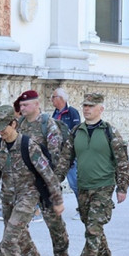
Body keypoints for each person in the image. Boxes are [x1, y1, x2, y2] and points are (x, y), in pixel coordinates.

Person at [0, 105, 65, 256]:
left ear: (14, 123)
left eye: (4, 126)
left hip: (28, 197)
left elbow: (48, 174)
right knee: (21, 238)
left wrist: (57, 200)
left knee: (9, 240)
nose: (1, 131)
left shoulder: (29, 145)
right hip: (8, 199)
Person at [67, 93, 129, 256]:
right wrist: (53, 180)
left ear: (101, 109)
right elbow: (65, 159)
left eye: (91, 106)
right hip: (83, 186)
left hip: (103, 186)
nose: (87, 109)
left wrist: (122, 187)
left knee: (93, 228)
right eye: (85, 105)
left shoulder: (110, 132)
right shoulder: (77, 131)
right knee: (93, 227)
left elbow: (122, 162)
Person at [15, 90, 70, 256]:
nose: (22, 108)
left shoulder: (48, 124)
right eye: (21, 105)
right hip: (25, 181)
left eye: (25, 105)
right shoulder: (20, 124)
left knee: (53, 220)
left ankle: (61, 254)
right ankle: (7, 251)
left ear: (37, 104)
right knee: (17, 219)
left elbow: (55, 155)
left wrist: (51, 182)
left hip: (44, 180)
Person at [51, 87, 81, 220]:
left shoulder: (73, 113)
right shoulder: (55, 113)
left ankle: (82, 208)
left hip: (69, 155)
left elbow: (76, 132)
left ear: (61, 99)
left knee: (74, 183)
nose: (51, 99)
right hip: (56, 154)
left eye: (53, 97)